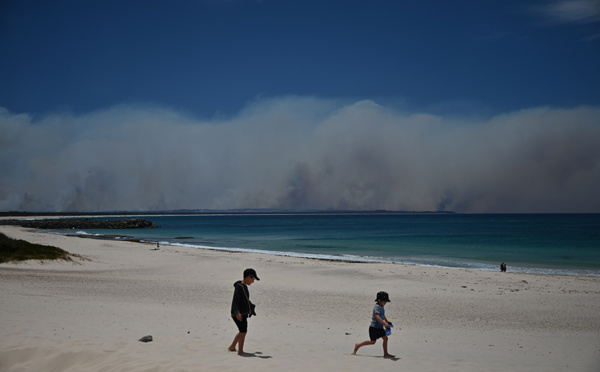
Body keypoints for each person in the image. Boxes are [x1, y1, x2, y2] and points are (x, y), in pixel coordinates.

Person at [353, 291, 395, 358]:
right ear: (379, 300)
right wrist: (384, 324)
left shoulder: (382, 306)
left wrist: (387, 321)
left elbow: (382, 315)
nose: (385, 303)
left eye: (386, 301)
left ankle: (386, 353)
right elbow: (377, 316)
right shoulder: (377, 307)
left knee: (385, 339)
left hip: (380, 328)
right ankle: (358, 345)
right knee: (372, 342)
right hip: (374, 328)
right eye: (384, 301)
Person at [228, 268, 260, 355]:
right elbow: (235, 301)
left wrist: (249, 303)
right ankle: (240, 351)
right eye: (253, 279)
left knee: (242, 331)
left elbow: (244, 298)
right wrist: (237, 312)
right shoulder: (240, 287)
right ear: (249, 277)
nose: (253, 281)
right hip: (238, 314)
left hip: (242, 313)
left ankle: (232, 347)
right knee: (243, 331)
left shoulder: (244, 287)